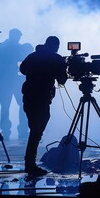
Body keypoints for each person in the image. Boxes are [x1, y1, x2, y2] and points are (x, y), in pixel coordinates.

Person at [20, 36, 68, 175]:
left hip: (28, 96)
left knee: (34, 130)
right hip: (42, 98)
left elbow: (23, 69)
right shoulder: (56, 59)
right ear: (55, 46)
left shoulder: (33, 55)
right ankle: (30, 164)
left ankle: (30, 162)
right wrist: (63, 67)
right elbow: (62, 80)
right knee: (36, 131)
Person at [0, 28, 32, 141]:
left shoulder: (15, 48)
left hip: (16, 81)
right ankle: (9, 132)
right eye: (18, 37)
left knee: (20, 106)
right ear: (13, 36)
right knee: (6, 106)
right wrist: (10, 66)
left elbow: (26, 64)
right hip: (7, 81)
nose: (19, 39)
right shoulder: (1, 48)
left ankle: (21, 131)